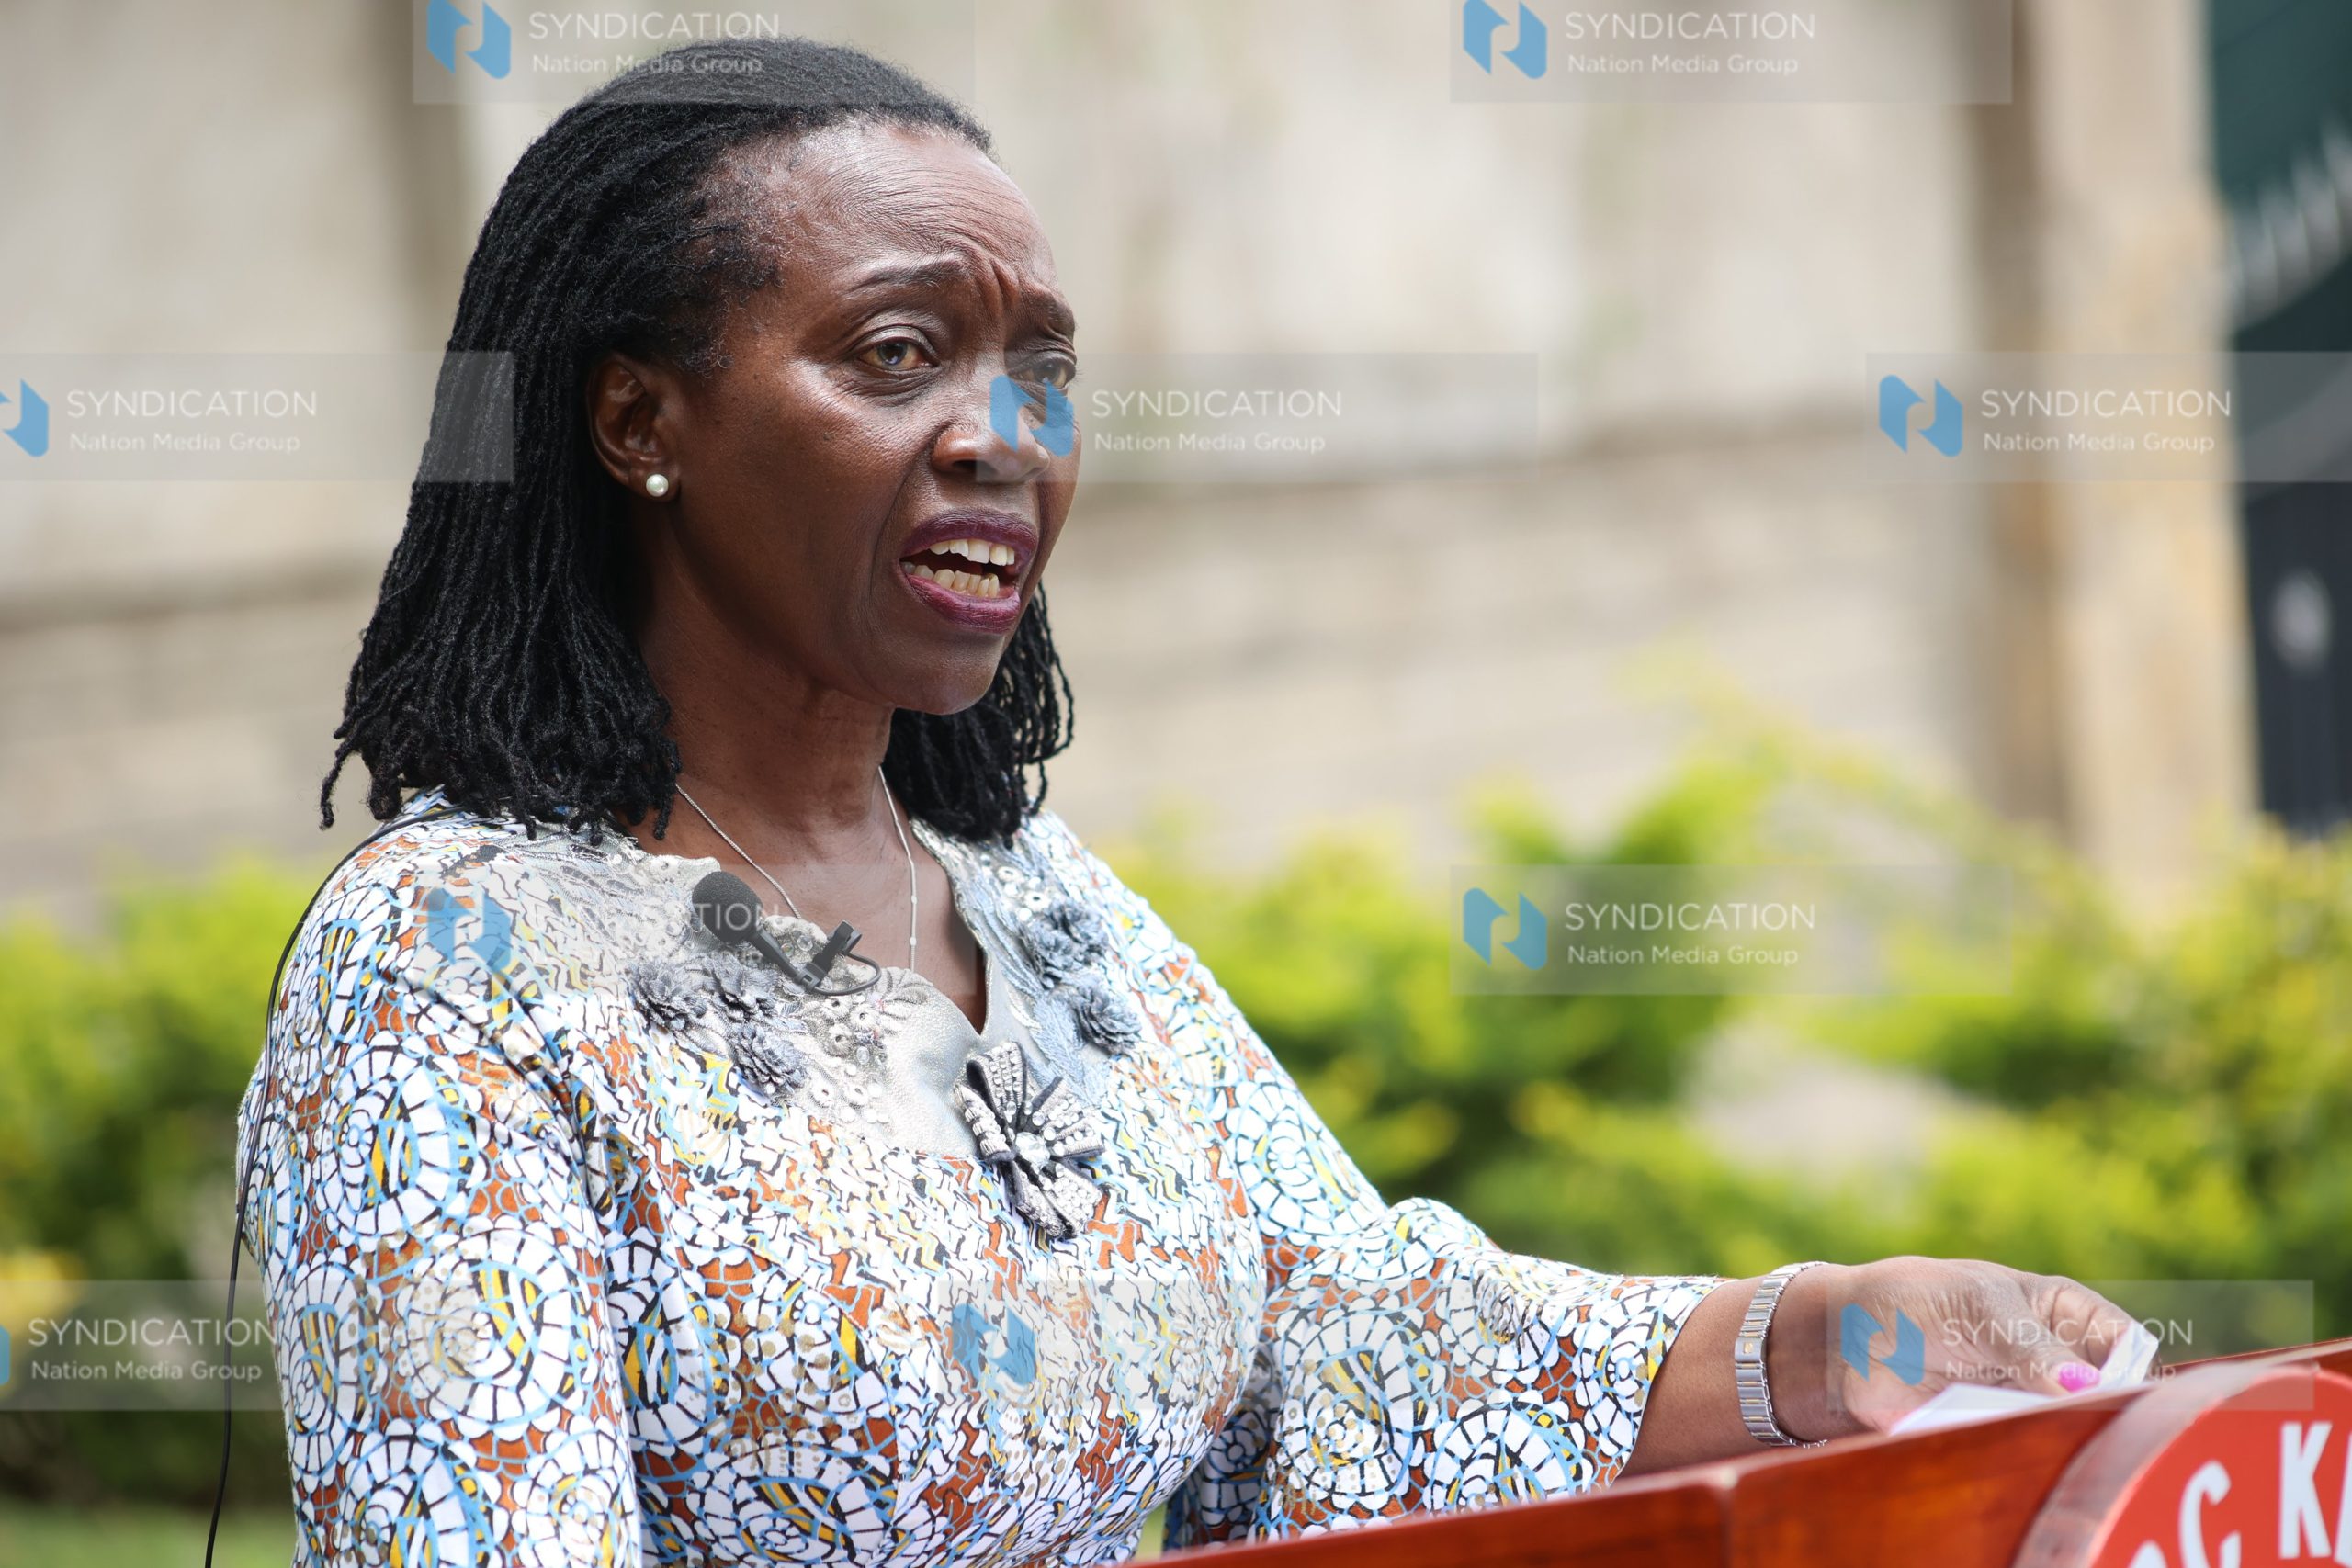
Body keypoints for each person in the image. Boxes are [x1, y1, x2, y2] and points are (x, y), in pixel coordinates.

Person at [236, 37, 2140, 1566]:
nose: (1003, 436)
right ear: (634, 418)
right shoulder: (446, 968)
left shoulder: (1021, 891)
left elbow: (1346, 1338)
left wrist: (1829, 1331)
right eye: (897, 354)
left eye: (1037, 366)